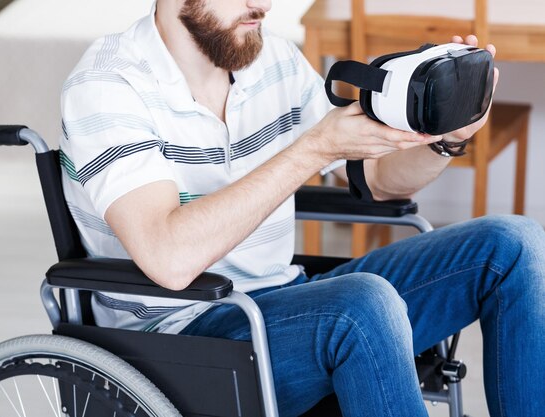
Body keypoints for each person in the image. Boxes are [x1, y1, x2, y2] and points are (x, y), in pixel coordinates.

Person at [59, 0, 545, 415]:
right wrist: (313, 148)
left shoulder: (273, 59)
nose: (265, 3)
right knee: (361, 304)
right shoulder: (107, 85)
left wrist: (443, 140)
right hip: (180, 338)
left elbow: (378, 179)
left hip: (285, 304)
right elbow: (168, 257)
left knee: (514, 245)